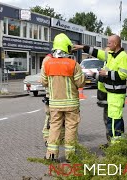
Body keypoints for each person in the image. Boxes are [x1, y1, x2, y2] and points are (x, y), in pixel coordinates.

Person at [74, 34, 127, 145]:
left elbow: (123, 75)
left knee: (114, 120)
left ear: (115, 43)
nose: (107, 45)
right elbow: (97, 52)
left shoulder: (123, 56)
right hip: (111, 93)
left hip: (116, 93)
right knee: (113, 119)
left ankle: (116, 146)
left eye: (109, 43)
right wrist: (82, 47)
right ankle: (115, 143)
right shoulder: (111, 54)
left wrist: (107, 73)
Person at [41, 33, 85, 162]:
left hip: (54, 103)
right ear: (67, 48)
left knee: (54, 127)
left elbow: (43, 82)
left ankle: (51, 155)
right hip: (71, 104)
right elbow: (80, 83)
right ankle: (70, 157)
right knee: (71, 128)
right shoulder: (73, 64)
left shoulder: (47, 64)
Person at [41, 54, 65, 146]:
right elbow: (45, 80)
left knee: (54, 118)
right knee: (51, 118)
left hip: (52, 94)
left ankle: (56, 137)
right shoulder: (50, 60)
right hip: (52, 94)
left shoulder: (48, 60)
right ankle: (48, 138)